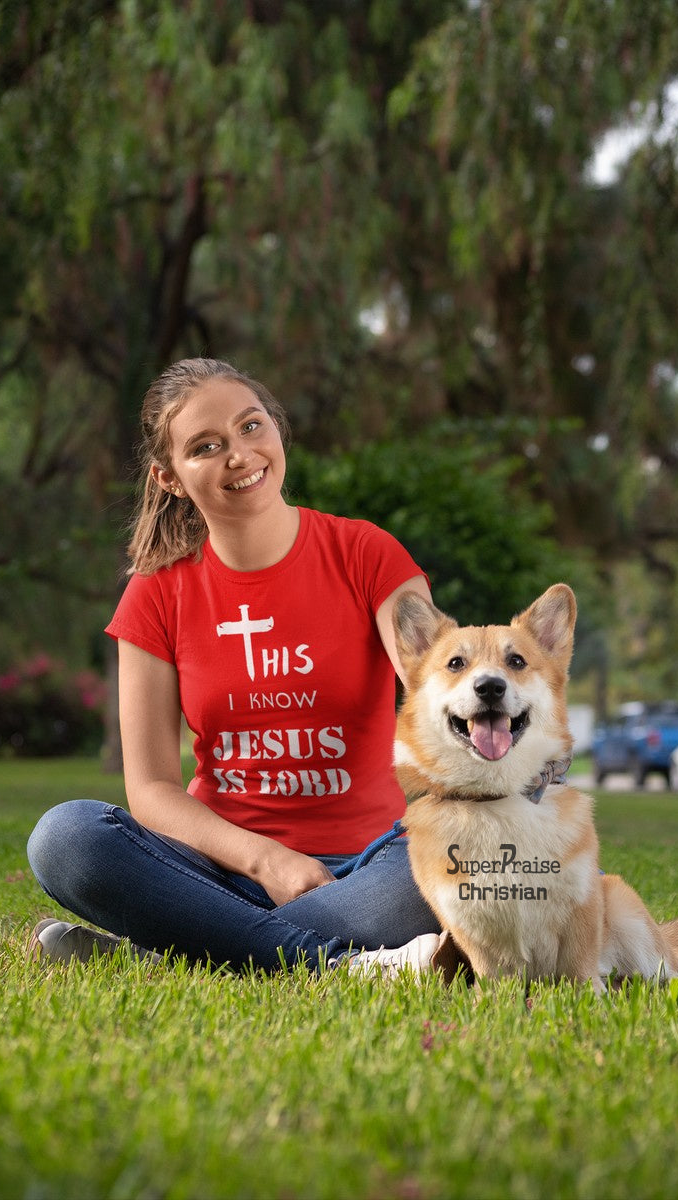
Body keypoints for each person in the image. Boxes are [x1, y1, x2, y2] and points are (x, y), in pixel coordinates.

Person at [27, 357, 443, 976]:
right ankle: (328, 962)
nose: (239, 456)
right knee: (65, 839)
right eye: (206, 446)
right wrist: (265, 861)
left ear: (275, 428)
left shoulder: (367, 553)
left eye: (251, 427)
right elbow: (151, 790)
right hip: (216, 870)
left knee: (457, 863)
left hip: (374, 863)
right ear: (169, 477)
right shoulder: (155, 593)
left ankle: (172, 951)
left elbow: (435, 688)